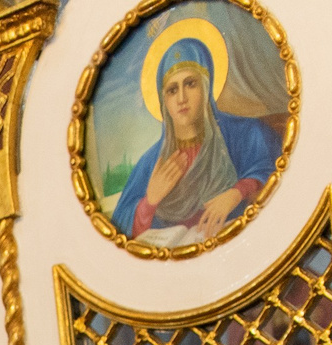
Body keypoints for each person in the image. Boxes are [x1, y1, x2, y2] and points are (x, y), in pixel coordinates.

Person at [114, 33, 283, 245]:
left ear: (206, 86)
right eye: (172, 90)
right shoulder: (152, 163)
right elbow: (117, 227)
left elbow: (275, 167)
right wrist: (150, 201)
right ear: (163, 100)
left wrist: (236, 193)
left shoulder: (243, 133)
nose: (181, 98)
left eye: (191, 84)